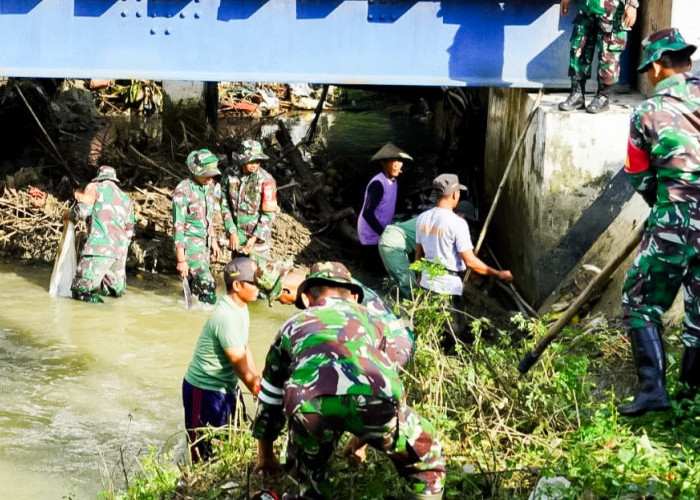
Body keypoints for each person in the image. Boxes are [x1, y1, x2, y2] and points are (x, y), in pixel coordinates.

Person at [252, 262, 445, 500]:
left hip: (309, 407)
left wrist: (266, 456)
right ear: (354, 296)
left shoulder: (292, 325)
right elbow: (388, 381)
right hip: (376, 403)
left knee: (311, 483)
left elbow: (270, 397)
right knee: (428, 462)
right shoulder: (375, 321)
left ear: (305, 297)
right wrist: (366, 434)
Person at [619, 27, 699, 416]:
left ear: (656, 65)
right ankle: (693, 395)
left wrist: (666, 208)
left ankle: (653, 391)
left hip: (677, 216)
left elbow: (638, 174)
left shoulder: (647, 111)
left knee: (638, 301)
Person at [415, 174, 513, 348]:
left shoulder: (422, 218)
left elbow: (418, 254)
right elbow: (470, 261)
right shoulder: (457, 223)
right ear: (454, 195)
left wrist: (418, 277)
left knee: (435, 327)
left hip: (426, 281)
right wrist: (498, 273)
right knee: (452, 332)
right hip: (446, 286)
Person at [182, 257, 263, 462]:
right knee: (204, 453)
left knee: (235, 439)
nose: (258, 287)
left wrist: (257, 379)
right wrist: (257, 389)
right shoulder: (226, 315)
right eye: (253, 282)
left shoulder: (241, 307)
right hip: (205, 390)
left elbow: (244, 346)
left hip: (227, 386)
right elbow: (237, 362)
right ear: (237, 285)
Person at [558, 0, 639, 114]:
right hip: (587, 7)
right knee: (579, 47)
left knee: (608, 53)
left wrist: (632, 4)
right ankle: (577, 95)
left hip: (612, 10)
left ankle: (603, 96)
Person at [69, 165, 135, 303]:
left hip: (98, 248)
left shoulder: (94, 187)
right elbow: (129, 231)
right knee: (113, 295)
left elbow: (83, 212)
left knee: (81, 291)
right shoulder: (126, 199)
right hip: (119, 254)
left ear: (99, 177)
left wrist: (69, 214)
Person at [172, 149, 222, 305]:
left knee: (197, 289)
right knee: (208, 284)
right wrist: (181, 259)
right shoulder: (183, 190)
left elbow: (208, 218)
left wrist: (213, 240)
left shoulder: (208, 188)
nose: (209, 178)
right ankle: (209, 317)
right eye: (206, 174)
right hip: (190, 246)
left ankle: (192, 320)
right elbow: (177, 226)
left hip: (204, 245)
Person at [220, 139, 278, 263]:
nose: (254, 165)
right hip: (237, 237)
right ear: (242, 159)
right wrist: (232, 232)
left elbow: (269, 214)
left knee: (259, 276)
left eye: (258, 161)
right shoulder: (229, 175)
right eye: (251, 161)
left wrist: (254, 238)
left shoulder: (267, 180)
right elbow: (224, 205)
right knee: (238, 273)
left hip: (258, 240)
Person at [357, 143, 413, 267]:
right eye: (394, 161)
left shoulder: (394, 182)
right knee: (375, 267)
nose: (398, 165)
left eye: (399, 161)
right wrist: (383, 233)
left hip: (381, 230)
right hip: (370, 234)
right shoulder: (378, 184)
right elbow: (367, 213)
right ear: (384, 163)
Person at [379, 216, 418, 300]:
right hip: (392, 244)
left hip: (395, 240)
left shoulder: (437, 216)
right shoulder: (442, 221)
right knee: (409, 284)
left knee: (406, 281)